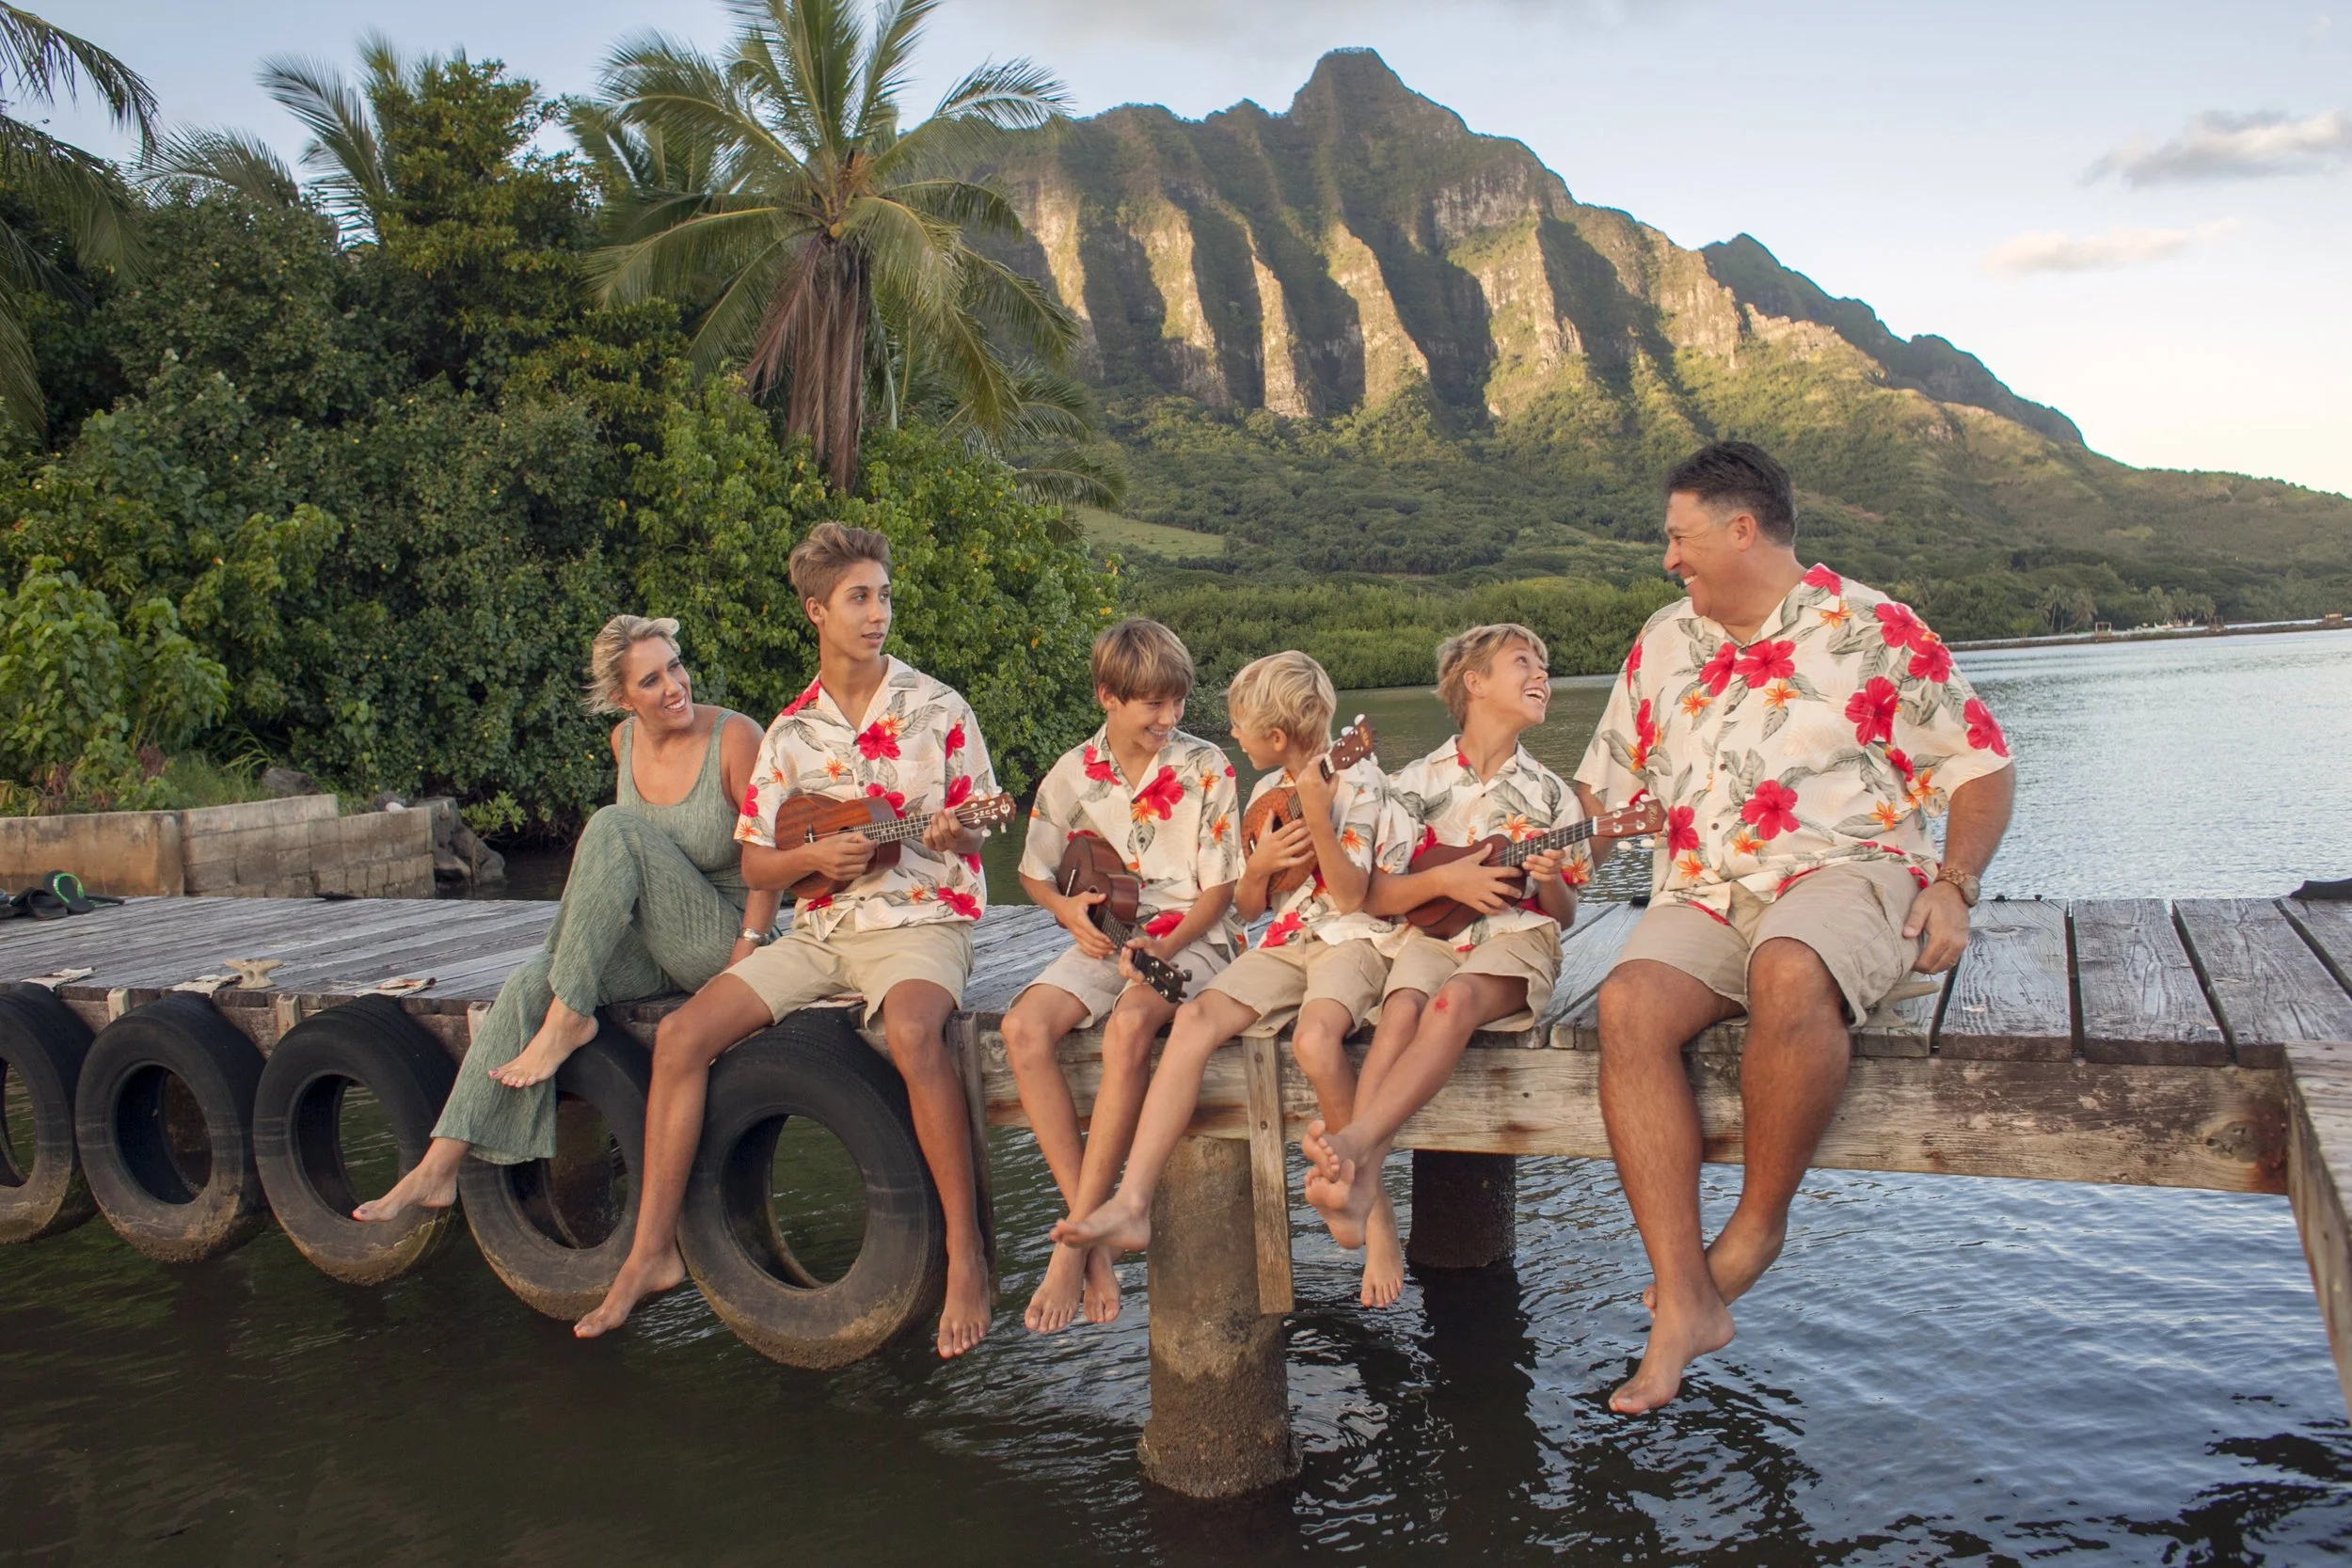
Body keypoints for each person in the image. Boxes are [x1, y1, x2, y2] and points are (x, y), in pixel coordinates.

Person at [1573, 440, 2015, 1414]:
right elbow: (1599, 790)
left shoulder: (1874, 628)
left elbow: (1979, 767)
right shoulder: (1661, 642)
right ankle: (1684, 1294)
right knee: (1627, 1000)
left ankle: (1758, 1226)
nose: (1668, 559)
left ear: (1741, 529)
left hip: (1846, 869)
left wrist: (1956, 883)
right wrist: (1524, 844)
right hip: (1699, 887)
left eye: (1678, 536)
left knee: (1786, 963)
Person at [572, 523, 1001, 1358]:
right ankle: (652, 1251)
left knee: (914, 1031)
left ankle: (965, 1254)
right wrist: (814, 855)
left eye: (882, 594)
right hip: (821, 929)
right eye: (858, 598)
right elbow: (759, 858)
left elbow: (978, 830)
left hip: (922, 918)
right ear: (817, 610)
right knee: (681, 1037)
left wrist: (956, 833)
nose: (877, 612)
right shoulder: (791, 730)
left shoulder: (939, 707)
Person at [355, 617, 778, 1222]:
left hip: (726, 938)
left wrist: (745, 956)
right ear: (621, 699)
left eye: (675, 666)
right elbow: (627, 878)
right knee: (534, 980)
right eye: (651, 680)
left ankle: (567, 1020)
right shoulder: (623, 742)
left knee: (610, 829)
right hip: (656, 938)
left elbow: (770, 859)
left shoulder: (736, 739)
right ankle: (438, 1167)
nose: (675, 686)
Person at [1051, 651, 1404, 1304]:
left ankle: (1374, 1212)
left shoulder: (1358, 782)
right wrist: (1260, 862)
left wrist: (1319, 816)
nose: (1229, 737)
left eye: (1239, 728)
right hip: (1288, 940)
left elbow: (1353, 897)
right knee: (1194, 1018)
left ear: (1275, 738)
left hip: (1351, 941)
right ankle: (1132, 1199)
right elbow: (1249, 909)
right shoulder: (1271, 801)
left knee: (1318, 1040)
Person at [1295, 626, 1601, 1265]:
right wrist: (1445, 880)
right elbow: (1376, 892)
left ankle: (1355, 1149)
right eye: (1525, 662)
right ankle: (1363, 1170)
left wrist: (1548, 883)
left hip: (1516, 937)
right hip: (1435, 933)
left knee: (1449, 1003)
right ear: (1475, 682)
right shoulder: (1410, 784)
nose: (1542, 673)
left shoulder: (1553, 793)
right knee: (1400, 1006)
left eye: (1546, 663)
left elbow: (1565, 913)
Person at [1001, 618, 1241, 1333]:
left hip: (1193, 936)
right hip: (1108, 935)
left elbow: (1220, 892)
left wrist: (1164, 951)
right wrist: (1066, 909)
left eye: (1177, 702)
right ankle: (1092, 1235)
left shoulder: (1208, 767)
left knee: (1134, 1022)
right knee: (1021, 1028)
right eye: (1153, 705)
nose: (1169, 719)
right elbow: (1033, 871)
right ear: (1108, 695)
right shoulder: (1072, 769)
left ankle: (1071, 1248)